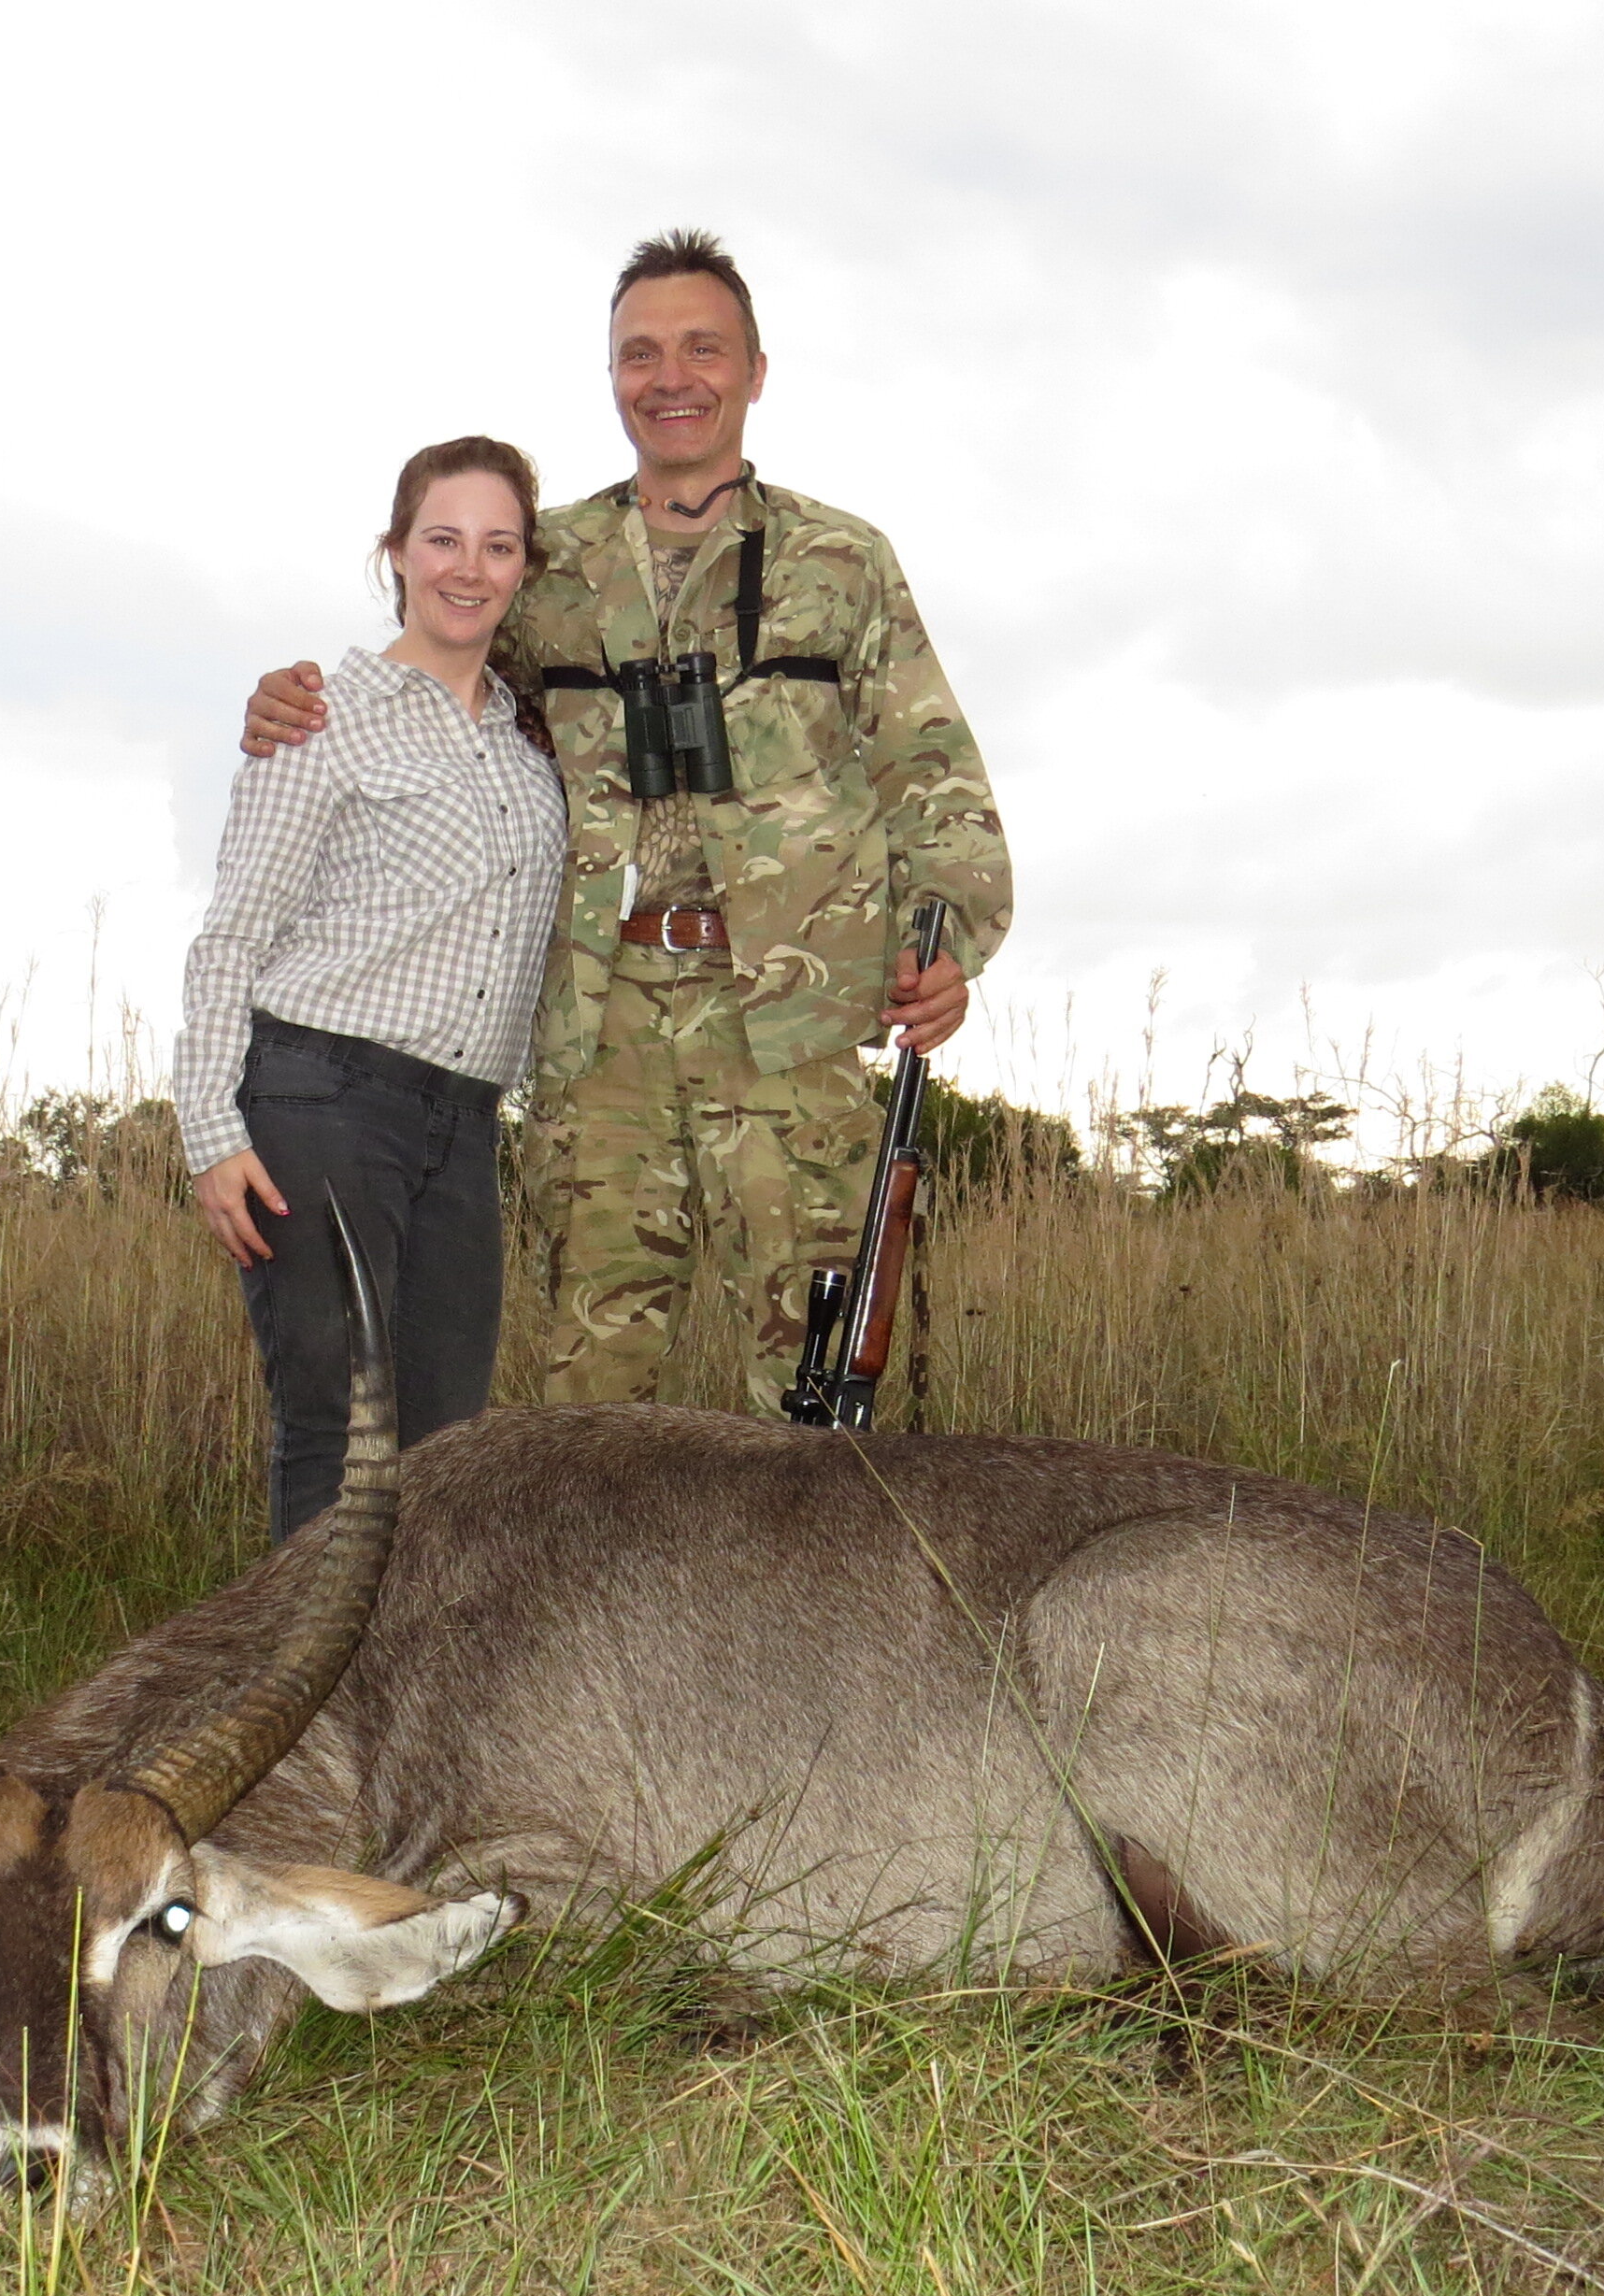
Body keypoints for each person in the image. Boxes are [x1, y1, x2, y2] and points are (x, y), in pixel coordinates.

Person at [243, 230, 1009, 1415]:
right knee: (587, 1408)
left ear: (755, 370)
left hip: (795, 1039)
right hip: (600, 1042)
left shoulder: (843, 562)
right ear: (611, 379)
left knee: (816, 1406)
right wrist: (299, 701)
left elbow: (938, 782)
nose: (671, 377)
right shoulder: (549, 568)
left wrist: (945, 949)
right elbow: (432, 671)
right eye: (639, 354)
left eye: (703, 348)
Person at [176, 436, 567, 1540]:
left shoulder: (531, 741)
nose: (467, 567)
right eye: (441, 538)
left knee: (446, 1452)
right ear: (395, 551)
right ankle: (306, 1714)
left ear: (524, 570)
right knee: (339, 1432)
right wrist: (209, 1126)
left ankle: (401, 1710)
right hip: (324, 1101)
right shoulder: (321, 717)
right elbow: (232, 931)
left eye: (497, 546)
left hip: (464, 1124)